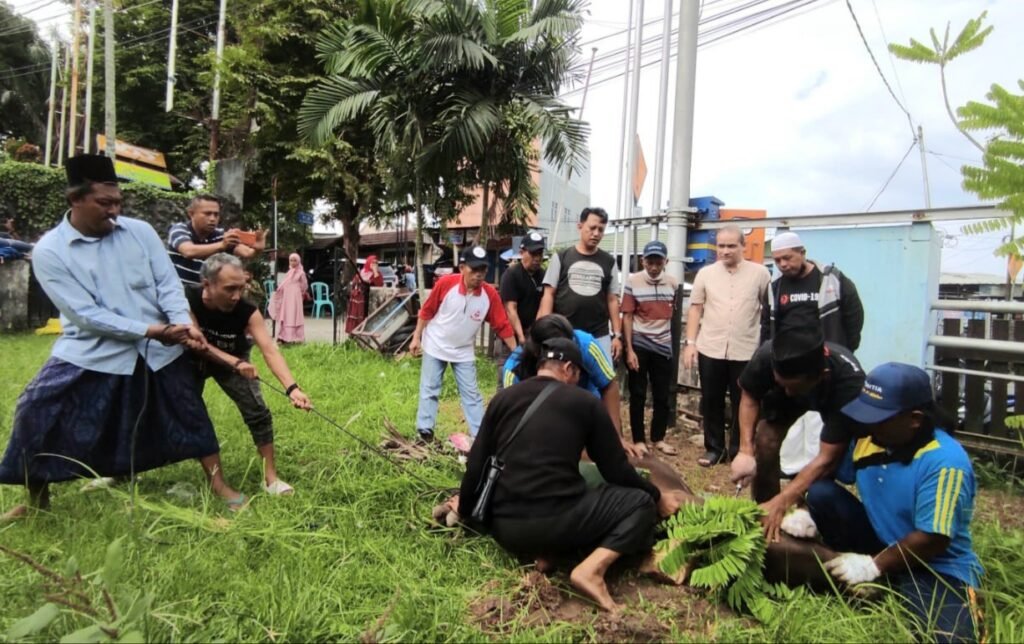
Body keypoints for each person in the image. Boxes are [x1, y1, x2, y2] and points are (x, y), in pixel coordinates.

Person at [0, 155, 243, 518]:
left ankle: (220, 485)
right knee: (36, 410)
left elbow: (167, 283)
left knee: (190, 413)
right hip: (91, 351)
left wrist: (183, 323)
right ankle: (37, 502)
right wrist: (152, 330)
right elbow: (85, 314)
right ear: (74, 199)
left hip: (161, 351)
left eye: (117, 203)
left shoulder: (140, 232)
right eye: (103, 203)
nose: (114, 211)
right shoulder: (50, 251)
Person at [458, 337, 681, 612]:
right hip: (557, 522)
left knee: (568, 498)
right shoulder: (585, 403)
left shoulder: (503, 399)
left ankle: (547, 555)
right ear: (568, 369)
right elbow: (616, 471)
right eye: (577, 374)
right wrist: (656, 495)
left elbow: (475, 466)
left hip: (507, 531)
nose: (577, 381)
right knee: (639, 504)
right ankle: (591, 570)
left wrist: (466, 514)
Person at [792, 363, 981, 643]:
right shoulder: (870, 440)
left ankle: (882, 578)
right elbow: (829, 472)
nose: (868, 424)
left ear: (914, 419)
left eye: (879, 418)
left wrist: (874, 566)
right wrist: (805, 511)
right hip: (880, 539)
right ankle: (872, 574)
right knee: (821, 494)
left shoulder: (945, 463)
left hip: (934, 564)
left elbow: (933, 539)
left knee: (949, 638)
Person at [187, 253, 313, 496]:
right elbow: (194, 342)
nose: (236, 296)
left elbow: (270, 350)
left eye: (240, 288)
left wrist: (292, 389)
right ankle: (125, 469)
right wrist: (233, 362)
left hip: (234, 361)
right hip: (191, 360)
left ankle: (270, 478)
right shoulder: (187, 299)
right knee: (189, 412)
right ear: (207, 285)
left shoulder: (246, 310)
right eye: (229, 289)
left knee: (258, 411)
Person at [730, 325, 865, 541]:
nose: (788, 393)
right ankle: (765, 510)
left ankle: (806, 510)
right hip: (795, 395)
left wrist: (786, 500)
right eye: (781, 383)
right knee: (765, 440)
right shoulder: (769, 355)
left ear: (823, 374)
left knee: (831, 466)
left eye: (792, 386)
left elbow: (827, 458)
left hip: (829, 400)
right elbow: (749, 396)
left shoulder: (849, 385)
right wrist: (745, 450)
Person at [683, 226, 771, 467]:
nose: (725, 251)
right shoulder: (705, 274)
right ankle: (714, 448)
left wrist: (766, 347)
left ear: (743, 246)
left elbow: (767, 310)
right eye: (721, 246)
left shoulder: (760, 274)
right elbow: (695, 308)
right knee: (711, 399)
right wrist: (690, 343)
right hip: (711, 346)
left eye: (731, 246)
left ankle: (739, 449)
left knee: (744, 400)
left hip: (746, 349)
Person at [409, 246, 516, 442]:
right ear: (462, 267)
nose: (479, 274)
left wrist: (516, 351)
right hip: (435, 344)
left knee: (472, 395)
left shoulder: (489, 295)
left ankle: (480, 437)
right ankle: (425, 432)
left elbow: (502, 325)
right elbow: (426, 312)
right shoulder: (445, 284)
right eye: (474, 269)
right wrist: (416, 337)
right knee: (430, 389)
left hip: (463, 350)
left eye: (483, 270)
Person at [502, 314, 644, 458]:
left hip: (584, 408)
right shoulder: (513, 372)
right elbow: (515, 420)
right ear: (538, 353)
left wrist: (616, 438)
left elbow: (608, 385)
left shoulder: (585, 344)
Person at [537, 207, 622, 361]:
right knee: (562, 380)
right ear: (580, 226)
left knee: (604, 381)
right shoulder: (561, 257)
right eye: (592, 228)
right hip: (564, 333)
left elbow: (612, 299)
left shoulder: (609, 262)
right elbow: (548, 294)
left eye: (601, 230)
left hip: (599, 335)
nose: (596, 233)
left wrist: (617, 335)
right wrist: (546, 330)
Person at [623, 240, 683, 456]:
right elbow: (627, 316)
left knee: (662, 395)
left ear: (665, 261)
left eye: (658, 262)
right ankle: (639, 439)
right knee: (637, 393)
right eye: (650, 261)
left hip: (663, 344)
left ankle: (658, 437)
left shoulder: (673, 284)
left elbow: (672, 314)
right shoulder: (633, 282)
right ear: (643, 261)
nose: (654, 266)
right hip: (639, 343)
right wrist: (628, 349)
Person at [761, 231, 864, 351]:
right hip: (787, 359)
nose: (783, 264)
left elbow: (854, 317)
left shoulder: (831, 279)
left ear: (802, 253)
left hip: (825, 358)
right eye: (777, 260)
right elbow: (766, 327)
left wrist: (843, 351)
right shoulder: (774, 288)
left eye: (787, 258)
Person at [167, 194, 266, 287]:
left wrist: (258, 248)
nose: (212, 219)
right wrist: (222, 245)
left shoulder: (219, 235)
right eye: (207, 213)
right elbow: (188, 251)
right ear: (191, 214)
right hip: (176, 291)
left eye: (216, 214)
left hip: (201, 295)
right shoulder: (179, 229)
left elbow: (248, 253)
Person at [500, 231, 546, 345]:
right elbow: (511, 309)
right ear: (521, 253)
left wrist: (534, 335)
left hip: (535, 336)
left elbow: (545, 305)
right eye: (533, 254)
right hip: (512, 335)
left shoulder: (543, 275)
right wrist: (521, 338)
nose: (537, 258)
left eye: (539, 254)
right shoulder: (512, 274)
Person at [269, 253, 308, 344]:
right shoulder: (289, 272)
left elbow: (304, 286)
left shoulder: (301, 273)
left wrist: (299, 293)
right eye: (291, 260)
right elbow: (284, 284)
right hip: (287, 297)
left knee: (294, 315)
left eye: (295, 260)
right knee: (286, 315)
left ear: (298, 261)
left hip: (295, 297)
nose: (293, 262)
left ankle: (296, 337)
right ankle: (284, 336)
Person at [345, 255, 385, 334]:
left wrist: (375, 272)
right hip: (357, 300)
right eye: (373, 263)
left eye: (376, 263)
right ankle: (353, 334)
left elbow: (379, 284)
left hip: (368, 300)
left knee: (364, 319)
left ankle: (362, 334)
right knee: (355, 317)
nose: (374, 265)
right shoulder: (362, 272)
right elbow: (354, 283)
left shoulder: (377, 274)